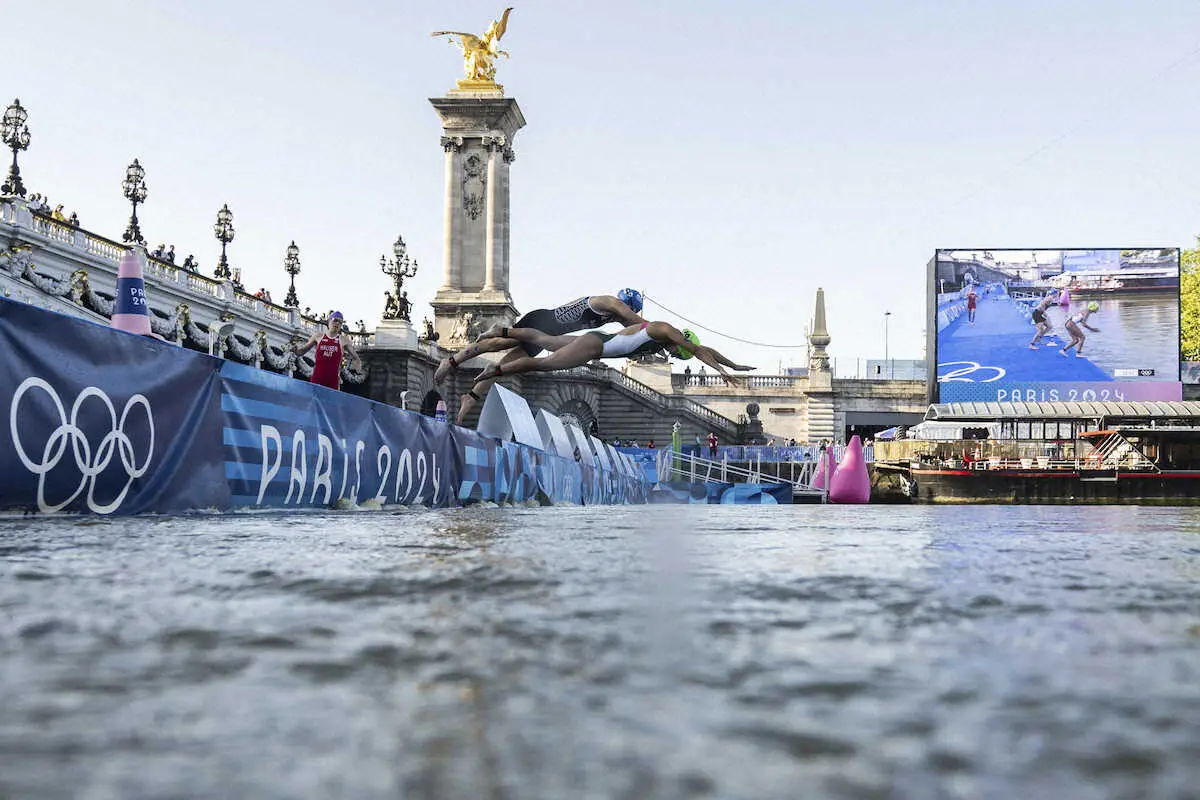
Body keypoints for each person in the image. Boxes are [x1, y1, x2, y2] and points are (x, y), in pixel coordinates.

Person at [436, 289, 647, 423]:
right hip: (541, 321)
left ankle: (470, 396)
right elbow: (634, 321)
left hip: (547, 334)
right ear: (628, 305)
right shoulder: (609, 302)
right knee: (500, 342)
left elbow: (631, 330)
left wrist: (652, 343)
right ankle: (452, 360)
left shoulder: (611, 316)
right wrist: (657, 331)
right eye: (630, 309)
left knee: (506, 365)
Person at [470, 320, 753, 388]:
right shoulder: (664, 331)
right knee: (545, 364)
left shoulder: (666, 336)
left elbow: (705, 349)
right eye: (678, 354)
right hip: (597, 347)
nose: (673, 356)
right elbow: (699, 351)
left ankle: (501, 331)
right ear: (679, 343)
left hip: (599, 341)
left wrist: (734, 364)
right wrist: (723, 373)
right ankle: (494, 371)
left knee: (548, 340)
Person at [292, 311, 363, 390]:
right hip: (316, 380)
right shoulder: (318, 336)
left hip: (332, 383)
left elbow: (356, 357)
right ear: (329, 321)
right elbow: (302, 351)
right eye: (335, 320)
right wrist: (295, 350)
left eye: (340, 322)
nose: (337, 323)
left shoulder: (343, 340)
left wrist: (358, 364)